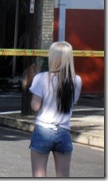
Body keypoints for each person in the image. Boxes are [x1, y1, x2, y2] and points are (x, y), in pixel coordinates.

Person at [28, 41, 82, 177]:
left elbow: (35, 106)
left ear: (52, 57)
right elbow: (73, 101)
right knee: (63, 175)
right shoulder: (76, 80)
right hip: (64, 131)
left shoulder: (41, 78)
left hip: (42, 130)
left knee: (39, 174)